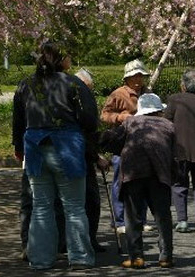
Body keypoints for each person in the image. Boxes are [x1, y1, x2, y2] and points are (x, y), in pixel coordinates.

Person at [12, 41, 98, 270]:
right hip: (67, 148)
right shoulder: (74, 83)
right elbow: (90, 120)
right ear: (62, 60)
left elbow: (18, 121)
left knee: (40, 205)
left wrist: (18, 148)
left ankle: (40, 259)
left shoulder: (26, 84)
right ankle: (79, 257)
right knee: (74, 206)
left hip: (35, 149)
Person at [100, 93, 175, 269]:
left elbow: (111, 139)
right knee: (162, 216)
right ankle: (166, 257)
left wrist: (117, 150)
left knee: (132, 216)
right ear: (158, 111)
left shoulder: (131, 122)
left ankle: (136, 257)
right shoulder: (169, 125)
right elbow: (176, 152)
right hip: (160, 174)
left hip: (134, 172)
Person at [100, 59, 149, 234]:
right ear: (127, 78)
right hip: (122, 143)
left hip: (144, 143)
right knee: (119, 182)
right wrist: (120, 117)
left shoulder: (147, 93)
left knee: (143, 181)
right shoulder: (118, 94)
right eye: (135, 76)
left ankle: (141, 220)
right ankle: (119, 221)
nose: (138, 80)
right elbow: (104, 115)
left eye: (141, 76)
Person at [165, 68, 195, 234]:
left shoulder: (174, 101)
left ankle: (182, 221)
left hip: (179, 150)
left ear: (183, 85)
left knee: (179, 185)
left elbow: (166, 124)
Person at [76, 67, 110, 252]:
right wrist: (96, 156)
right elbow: (87, 134)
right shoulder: (79, 103)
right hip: (82, 156)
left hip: (83, 155)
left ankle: (88, 239)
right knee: (89, 201)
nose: (88, 91)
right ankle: (87, 240)